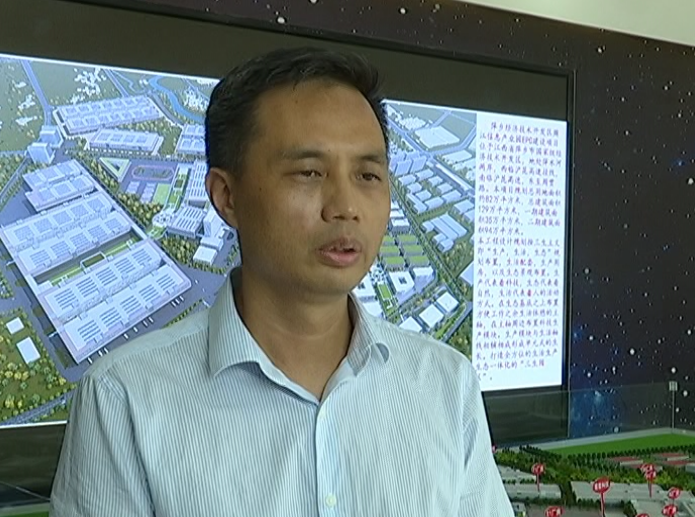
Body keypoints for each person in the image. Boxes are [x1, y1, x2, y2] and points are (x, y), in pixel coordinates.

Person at [49, 46, 513, 516]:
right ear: (226, 197)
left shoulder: (446, 385)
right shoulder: (124, 397)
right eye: (309, 173)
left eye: (368, 174)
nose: (345, 207)